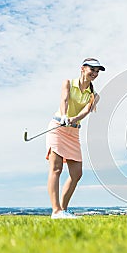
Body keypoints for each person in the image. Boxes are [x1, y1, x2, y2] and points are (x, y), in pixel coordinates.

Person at [46, 58, 104, 219]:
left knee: (76, 173)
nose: (95, 73)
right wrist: (64, 116)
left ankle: (62, 210)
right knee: (56, 169)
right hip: (57, 128)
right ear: (82, 69)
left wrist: (73, 119)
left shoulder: (94, 95)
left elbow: (85, 112)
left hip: (73, 132)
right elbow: (64, 99)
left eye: (97, 71)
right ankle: (55, 210)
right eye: (92, 69)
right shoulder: (68, 83)